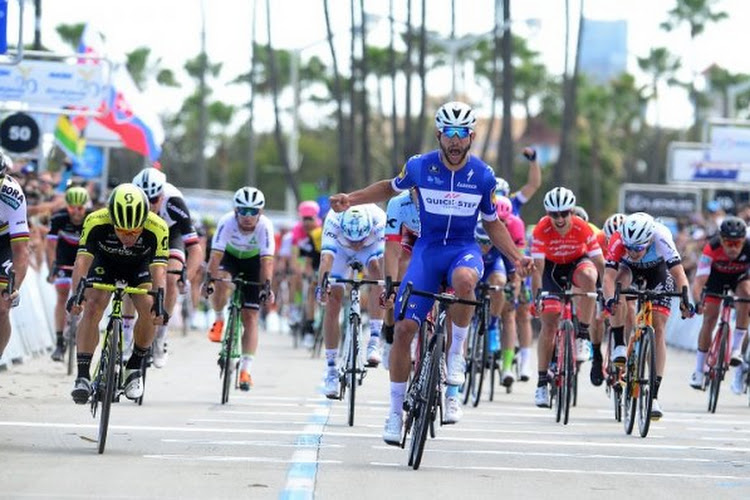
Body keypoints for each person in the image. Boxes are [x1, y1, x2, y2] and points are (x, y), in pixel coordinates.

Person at [328, 101, 532, 444]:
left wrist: (517, 256)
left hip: (463, 249)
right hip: (428, 249)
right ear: (439, 135)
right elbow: (387, 188)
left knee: (466, 281)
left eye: (462, 134)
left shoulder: (483, 175)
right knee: (406, 327)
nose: (455, 141)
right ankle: (394, 414)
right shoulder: (420, 167)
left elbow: (493, 224)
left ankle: (456, 359)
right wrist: (353, 198)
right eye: (449, 134)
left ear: (471, 137)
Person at [68, 183, 169, 404]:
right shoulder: (95, 220)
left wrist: (160, 301)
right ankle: (83, 375)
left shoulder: (158, 226)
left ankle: (134, 365)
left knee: (148, 306)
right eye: (122, 230)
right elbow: (82, 262)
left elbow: (160, 270)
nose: (128, 237)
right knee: (93, 305)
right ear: (112, 220)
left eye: (134, 231)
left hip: (139, 265)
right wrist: (77, 294)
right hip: (105, 262)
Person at [602, 212, 694, 420]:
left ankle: (653, 396)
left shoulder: (661, 236)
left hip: (658, 271)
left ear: (649, 240)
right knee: (618, 290)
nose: (633, 252)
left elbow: (679, 274)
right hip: (628, 270)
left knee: (659, 328)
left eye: (638, 248)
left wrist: (685, 300)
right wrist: (609, 300)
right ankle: (619, 344)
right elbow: (608, 276)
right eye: (629, 248)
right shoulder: (619, 238)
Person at [530, 187, 605, 408]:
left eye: (564, 213)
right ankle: (542, 383)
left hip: (576, 263)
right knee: (550, 322)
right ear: (547, 213)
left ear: (572, 211)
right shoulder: (541, 230)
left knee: (590, 276)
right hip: (551, 270)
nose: (560, 218)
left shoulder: (582, 228)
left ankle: (582, 334)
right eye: (554, 214)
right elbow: (537, 268)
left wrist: (606, 292)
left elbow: (600, 263)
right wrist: (537, 297)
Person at [203, 187, 275, 391]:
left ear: (260, 212)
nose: (247, 216)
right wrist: (209, 280)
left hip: (254, 263)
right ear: (236, 210)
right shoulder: (226, 222)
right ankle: (218, 320)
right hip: (230, 258)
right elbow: (215, 256)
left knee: (251, 316)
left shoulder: (265, 227)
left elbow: (267, 263)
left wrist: (266, 287)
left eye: (253, 211)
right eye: (243, 210)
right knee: (221, 279)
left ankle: (245, 370)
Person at [132, 167, 203, 367]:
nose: (150, 205)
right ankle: (128, 332)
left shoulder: (174, 203)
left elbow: (196, 249)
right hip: (141, 232)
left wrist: (184, 277)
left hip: (171, 233)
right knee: (130, 277)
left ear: (162, 196)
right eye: (145, 200)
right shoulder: (130, 198)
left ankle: (161, 335)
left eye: (154, 200)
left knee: (171, 279)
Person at [317, 204, 386, 398]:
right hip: (340, 251)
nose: (356, 243)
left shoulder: (379, 219)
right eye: (352, 239)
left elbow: (384, 261)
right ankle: (331, 370)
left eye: (360, 239)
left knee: (377, 274)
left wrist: (386, 288)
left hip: (370, 249)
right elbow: (326, 261)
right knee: (333, 299)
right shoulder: (333, 220)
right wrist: (322, 287)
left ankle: (374, 340)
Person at [689, 216, 750, 394]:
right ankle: (699, 370)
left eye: (736, 244)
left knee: (746, 295)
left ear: (743, 241)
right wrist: (698, 302)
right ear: (721, 240)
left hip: (739, 278)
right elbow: (699, 282)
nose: (732, 248)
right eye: (728, 243)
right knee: (709, 319)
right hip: (714, 279)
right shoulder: (712, 248)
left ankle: (736, 349)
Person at [46, 186, 91, 361]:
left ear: (85, 207)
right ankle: (59, 343)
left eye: (80, 208)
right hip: (64, 258)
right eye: (72, 207)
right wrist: (53, 267)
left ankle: (76, 325)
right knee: (62, 295)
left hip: (84, 259)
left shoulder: (91, 219)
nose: (76, 212)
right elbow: (50, 246)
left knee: (86, 295)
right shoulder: (59, 218)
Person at [0, 151, 29, 360]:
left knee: (2, 307)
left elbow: (21, 251)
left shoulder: (12, 194)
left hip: (4, 243)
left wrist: (14, 288)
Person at [291, 200, 323, 348]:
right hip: (305, 256)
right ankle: (296, 308)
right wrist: (297, 268)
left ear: (316, 218)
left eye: (310, 219)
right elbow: (295, 254)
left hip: (319, 257)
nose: (307, 223)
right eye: (304, 219)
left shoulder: (320, 229)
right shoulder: (297, 230)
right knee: (298, 277)